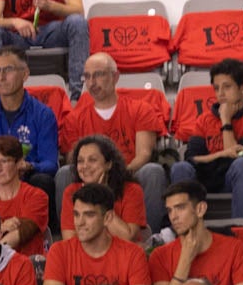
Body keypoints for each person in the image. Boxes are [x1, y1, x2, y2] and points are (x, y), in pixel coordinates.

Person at [60, 52, 168, 228]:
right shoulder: (75, 118)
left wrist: (115, 175)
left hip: (129, 173)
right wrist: (93, 174)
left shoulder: (140, 109)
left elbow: (144, 154)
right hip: (90, 176)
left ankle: (151, 238)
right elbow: (73, 158)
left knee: (153, 171)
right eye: (87, 76)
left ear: (115, 77)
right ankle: (69, 237)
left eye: (99, 75)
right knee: (63, 174)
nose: (92, 82)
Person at [170, 58, 243, 224]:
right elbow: (192, 158)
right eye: (217, 88)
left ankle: (241, 231)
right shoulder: (205, 119)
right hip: (205, 179)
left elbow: (239, 156)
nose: (220, 94)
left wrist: (225, 120)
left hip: (233, 181)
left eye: (227, 87)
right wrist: (222, 154)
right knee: (180, 167)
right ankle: (182, 231)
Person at [0, 48, 59, 203]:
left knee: (43, 181)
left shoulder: (43, 114)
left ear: (25, 74)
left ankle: (42, 227)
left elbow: (50, 163)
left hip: (27, 178)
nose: (1, 77)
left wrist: (28, 166)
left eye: (8, 70)